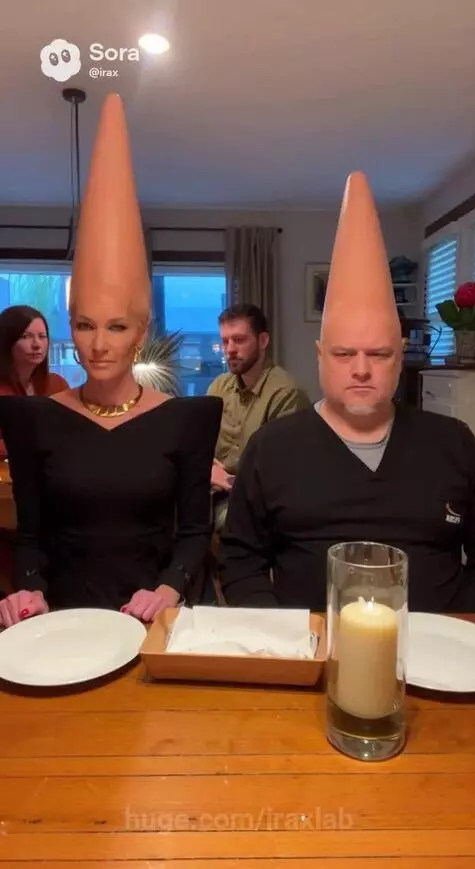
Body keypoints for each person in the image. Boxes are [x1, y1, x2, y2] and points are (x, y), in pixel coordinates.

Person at [0, 92, 221, 629]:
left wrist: (169, 587)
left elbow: (194, 533)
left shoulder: (185, 420)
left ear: (140, 332)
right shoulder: (33, 418)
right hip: (62, 620)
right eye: (85, 324)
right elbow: (30, 536)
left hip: (153, 619)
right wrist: (28, 590)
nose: (98, 344)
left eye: (116, 326)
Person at [217, 171, 475, 614]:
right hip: (308, 644)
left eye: (378, 354)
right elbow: (241, 560)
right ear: (320, 357)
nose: (360, 369)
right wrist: (279, 633)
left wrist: (459, 625)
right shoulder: (273, 448)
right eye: (343, 354)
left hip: (438, 644)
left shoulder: (454, 443)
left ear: (400, 357)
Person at [207, 303, 310, 529]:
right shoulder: (219, 386)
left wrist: (229, 482)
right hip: (213, 489)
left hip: (256, 499)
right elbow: (198, 445)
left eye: (239, 340)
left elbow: (282, 472)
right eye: (225, 341)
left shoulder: (286, 393)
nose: (230, 349)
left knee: (226, 520)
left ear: (263, 341)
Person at [0, 305, 68, 457]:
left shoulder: (57, 384)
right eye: (25, 336)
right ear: (6, 341)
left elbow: (70, 432)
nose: (37, 344)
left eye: (42, 336)